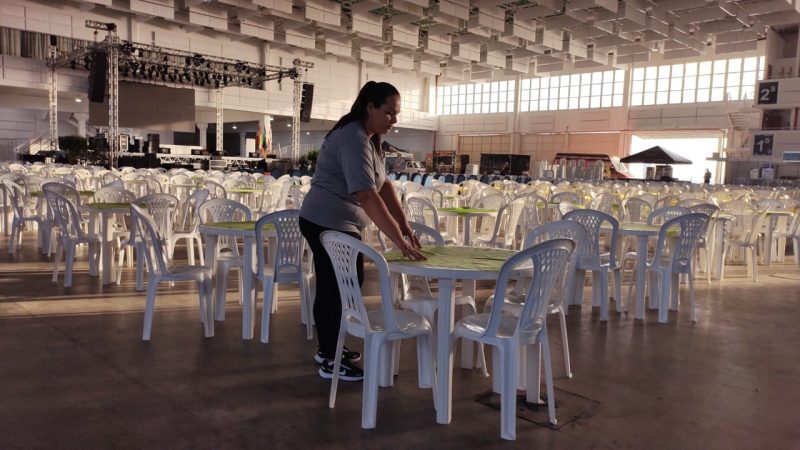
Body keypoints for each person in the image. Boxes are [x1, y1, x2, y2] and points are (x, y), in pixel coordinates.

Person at [299, 81, 425, 382]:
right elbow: (366, 195)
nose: (393, 120)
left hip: (340, 224)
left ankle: (328, 348)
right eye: (388, 113)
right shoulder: (353, 138)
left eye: (396, 114)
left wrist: (404, 225)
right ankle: (329, 357)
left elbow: (384, 186)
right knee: (336, 287)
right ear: (370, 107)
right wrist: (397, 238)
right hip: (326, 222)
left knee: (343, 284)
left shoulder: (371, 139)